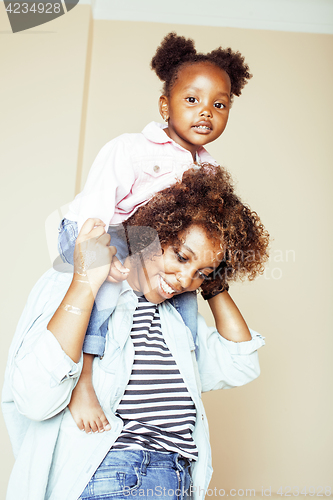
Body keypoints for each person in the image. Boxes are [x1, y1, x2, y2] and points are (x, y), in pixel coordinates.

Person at [3, 166, 269, 500]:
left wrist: (214, 284)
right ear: (154, 232)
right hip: (114, 476)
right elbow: (34, 399)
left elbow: (239, 364)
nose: (186, 280)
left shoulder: (176, 319)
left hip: (178, 480)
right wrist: (85, 282)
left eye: (200, 272)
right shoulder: (77, 284)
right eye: (181, 256)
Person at [57, 32, 253, 432]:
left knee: (180, 298)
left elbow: (191, 231)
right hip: (96, 228)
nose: (206, 112)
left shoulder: (208, 170)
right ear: (166, 104)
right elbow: (99, 202)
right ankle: (84, 379)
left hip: (142, 239)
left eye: (220, 105)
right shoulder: (131, 148)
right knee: (103, 291)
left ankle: (181, 377)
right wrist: (97, 253)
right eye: (192, 100)